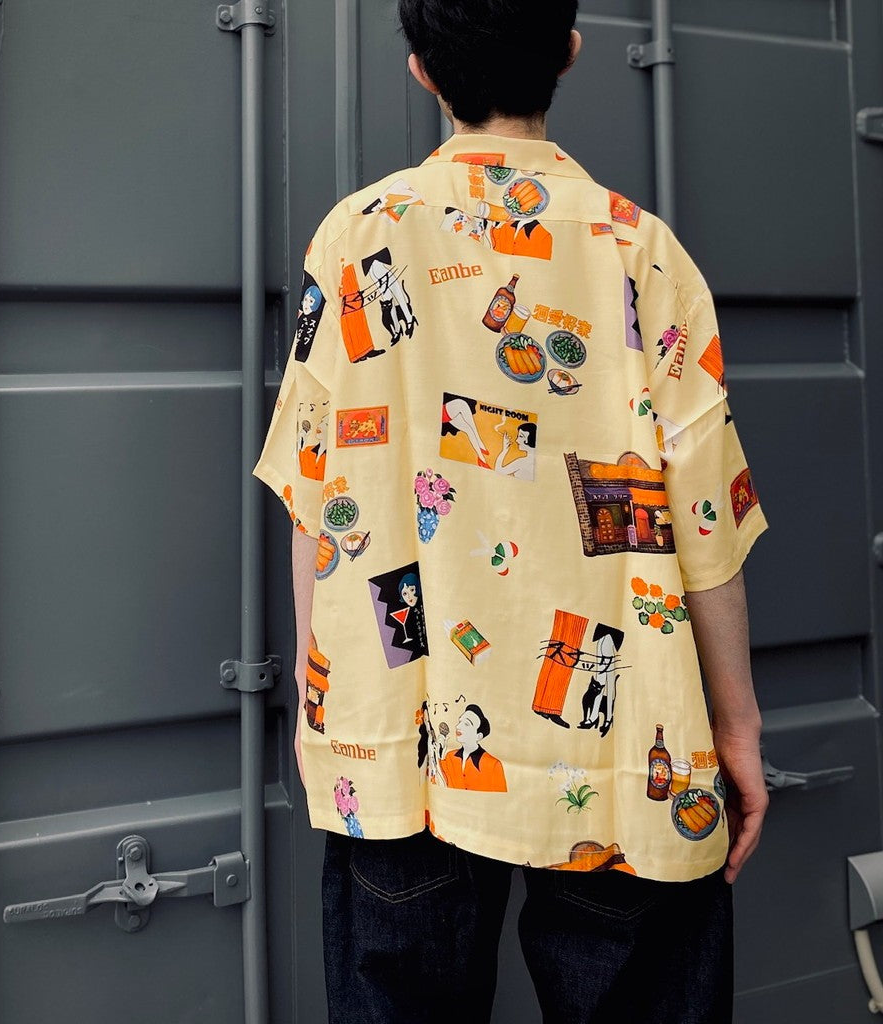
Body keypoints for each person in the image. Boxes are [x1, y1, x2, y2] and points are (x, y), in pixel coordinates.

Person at [252, 2, 770, 1020]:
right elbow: (706, 523)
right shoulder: (642, 250)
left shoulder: (357, 238)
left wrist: (327, 712)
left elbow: (317, 497)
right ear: (568, 52)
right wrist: (737, 727)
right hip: (627, 757)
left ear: (420, 70)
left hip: (402, 741)